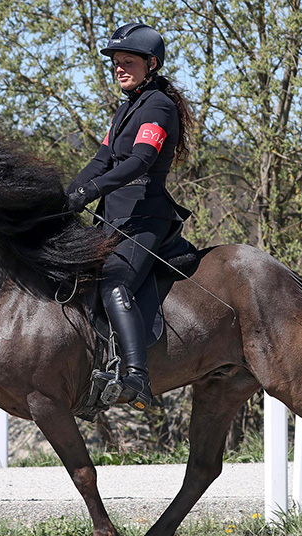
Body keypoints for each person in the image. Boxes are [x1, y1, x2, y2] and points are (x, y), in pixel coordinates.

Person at [66, 22, 194, 411]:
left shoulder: (158, 106)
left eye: (128, 62)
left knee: (115, 286)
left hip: (145, 218)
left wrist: (91, 191)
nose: (119, 68)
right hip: (113, 218)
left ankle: (137, 377)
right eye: (116, 63)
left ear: (150, 64)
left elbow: (140, 161)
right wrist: (65, 195)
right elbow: (101, 159)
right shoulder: (126, 109)